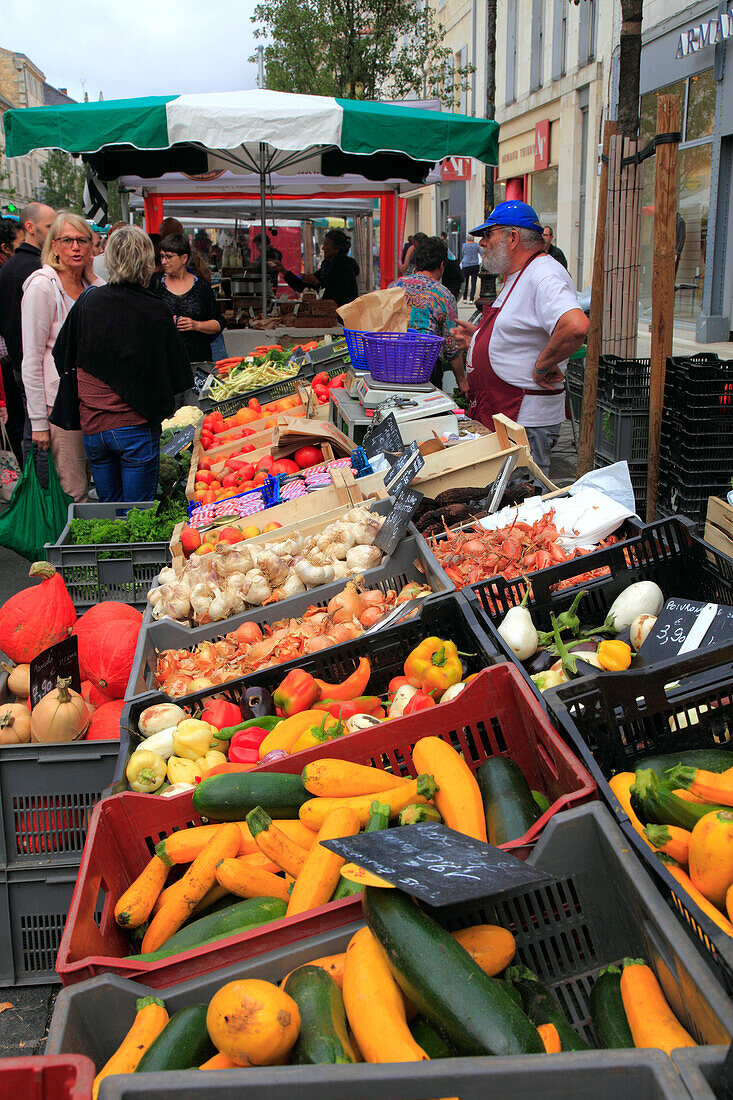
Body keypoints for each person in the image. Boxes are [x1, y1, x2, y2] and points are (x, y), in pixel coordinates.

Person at [53, 225, 192, 503]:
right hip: (135, 427)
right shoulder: (155, 308)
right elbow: (177, 375)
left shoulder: (88, 301)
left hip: (94, 428)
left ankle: (109, 549)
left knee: (109, 513)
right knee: (136, 515)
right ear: (146, 262)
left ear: (110, 259)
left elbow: (62, 355)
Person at [451, 201, 588, 477]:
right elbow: (524, 332)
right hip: (507, 414)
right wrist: (479, 340)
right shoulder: (520, 274)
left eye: (488, 235)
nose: (482, 244)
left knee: (522, 501)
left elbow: (575, 326)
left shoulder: (543, 273)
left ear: (512, 238)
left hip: (524, 418)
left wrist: (542, 365)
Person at [21, 212, 105, 501]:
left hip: (91, 400)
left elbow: (109, 304)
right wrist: (38, 424)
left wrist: (92, 276)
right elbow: (30, 359)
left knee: (91, 482)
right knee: (73, 489)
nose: (76, 247)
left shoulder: (90, 286)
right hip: (58, 404)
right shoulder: (42, 286)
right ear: (54, 246)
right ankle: (68, 544)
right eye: (67, 240)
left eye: (83, 240)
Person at [0, 202, 56, 463]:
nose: (55, 232)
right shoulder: (38, 270)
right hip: (34, 365)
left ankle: (32, 484)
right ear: (30, 228)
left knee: (30, 429)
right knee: (42, 432)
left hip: (19, 362)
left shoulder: (9, 268)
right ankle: (41, 494)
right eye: (49, 226)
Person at [390, 236, 468, 395]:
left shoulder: (394, 287)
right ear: (441, 265)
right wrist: (462, 382)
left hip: (392, 362)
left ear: (417, 263)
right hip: (426, 369)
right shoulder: (443, 295)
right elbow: (452, 346)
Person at [156, 233, 224, 363]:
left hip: (198, 359)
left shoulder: (201, 287)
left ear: (184, 258)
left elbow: (218, 323)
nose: (164, 261)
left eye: (169, 257)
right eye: (162, 256)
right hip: (165, 361)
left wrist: (196, 325)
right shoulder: (155, 285)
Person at [275, 229, 359, 308]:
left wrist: (316, 282)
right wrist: (283, 271)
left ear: (336, 249)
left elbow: (337, 295)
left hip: (343, 315)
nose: (323, 248)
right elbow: (303, 287)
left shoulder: (345, 268)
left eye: (326, 244)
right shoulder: (326, 266)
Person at [460, 237, 482, 301]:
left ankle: (464, 298)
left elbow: (462, 253)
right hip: (474, 265)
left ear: (467, 239)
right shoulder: (476, 245)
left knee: (465, 282)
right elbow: (481, 253)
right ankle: (471, 299)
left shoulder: (464, 246)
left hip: (466, 265)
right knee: (473, 282)